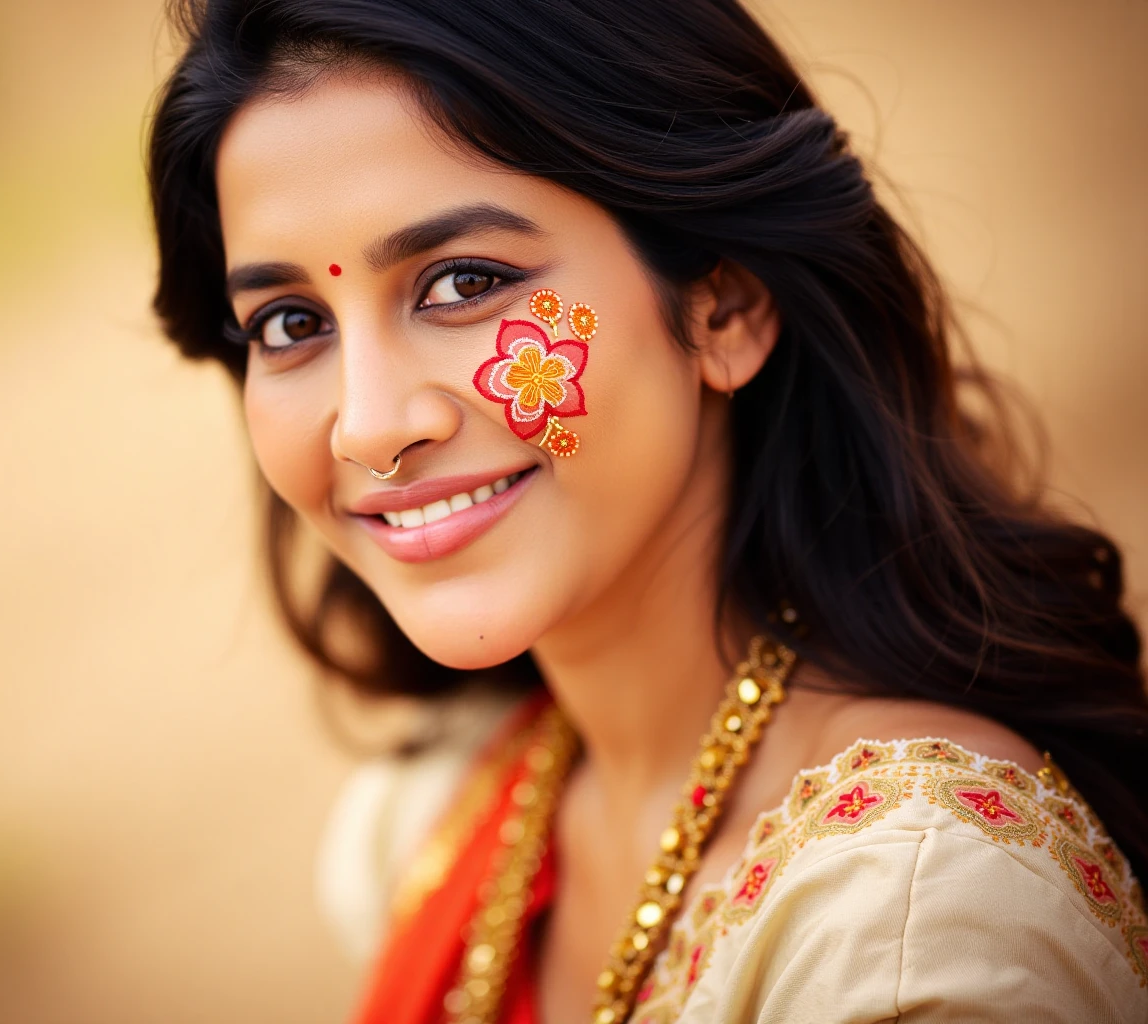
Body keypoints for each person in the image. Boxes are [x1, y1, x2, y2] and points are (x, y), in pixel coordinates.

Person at [146, 1, 1148, 1020]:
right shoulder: (423, 825)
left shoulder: (912, 928)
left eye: (462, 281)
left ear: (725, 307)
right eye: (290, 322)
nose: (366, 427)